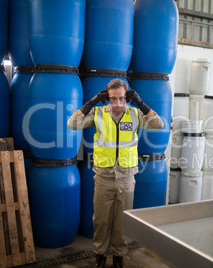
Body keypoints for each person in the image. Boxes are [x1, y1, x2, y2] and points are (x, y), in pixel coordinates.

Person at [67, 79, 164, 268]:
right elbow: (73, 123)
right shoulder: (98, 113)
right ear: (107, 98)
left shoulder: (135, 114)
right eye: (113, 99)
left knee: (122, 220)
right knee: (101, 220)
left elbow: (158, 124)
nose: (118, 104)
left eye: (121, 98)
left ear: (127, 96)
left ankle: (119, 256)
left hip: (127, 176)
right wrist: (92, 101)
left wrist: (140, 103)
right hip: (104, 176)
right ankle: (100, 255)